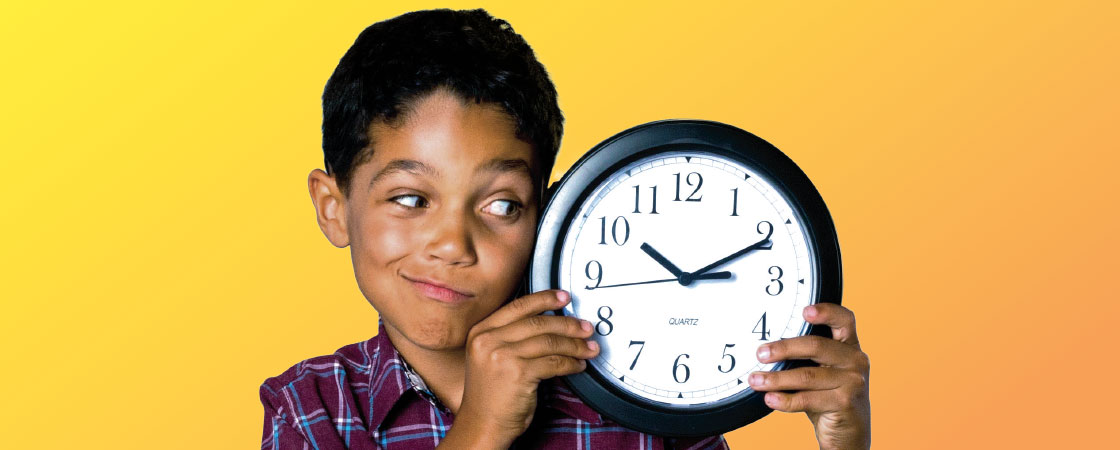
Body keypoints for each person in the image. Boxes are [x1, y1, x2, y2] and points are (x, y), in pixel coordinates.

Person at [260, 8, 870, 449]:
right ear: (333, 206)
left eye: (501, 206)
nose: (452, 244)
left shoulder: (643, 397)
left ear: (551, 221)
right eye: (411, 198)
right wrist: (482, 428)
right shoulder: (314, 409)